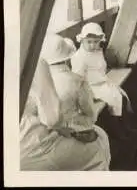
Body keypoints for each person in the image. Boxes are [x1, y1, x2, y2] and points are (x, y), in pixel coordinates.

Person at [21, 42, 111, 171]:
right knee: (98, 145)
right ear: (68, 58)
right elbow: (52, 119)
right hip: (34, 147)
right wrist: (67, 131)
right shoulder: (37, 64)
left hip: (11, 152)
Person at [71, 22, 136, 139]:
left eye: (96, 42)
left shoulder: (97, 52)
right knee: (113, 100)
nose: (92, 45)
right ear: (82, 40)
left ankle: (125, 124)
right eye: (89, 42)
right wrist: (88, 95)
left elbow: (100, 69)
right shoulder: (79, 57)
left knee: (122, 96)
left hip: (102, 83)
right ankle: (118, 130)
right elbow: (78, 79)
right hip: (91, 88)